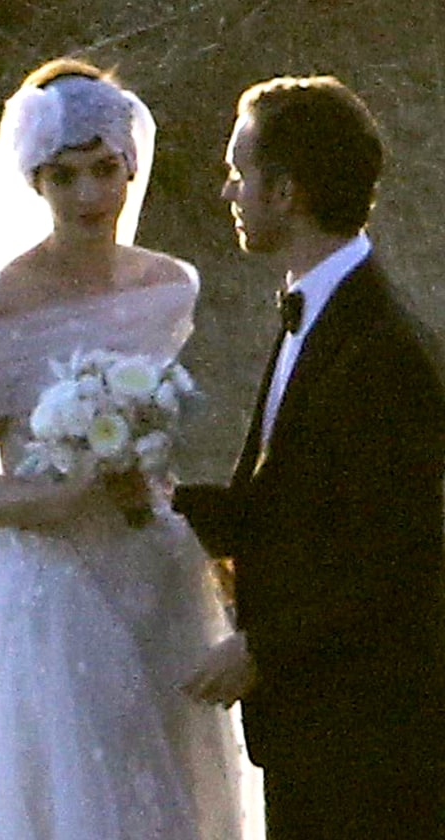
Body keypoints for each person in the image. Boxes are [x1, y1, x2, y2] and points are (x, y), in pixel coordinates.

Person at [0, 57, 258, 838]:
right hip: (44, 594)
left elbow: (161, 439)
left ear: (130, 167)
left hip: (151, 579)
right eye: (64, 176)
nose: (89, 196)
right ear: (36, 182)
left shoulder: (170, 287)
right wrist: (56, 498)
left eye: (104, 170)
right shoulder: (2, 302)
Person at [174, 75, 445, 838]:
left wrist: (260, 648)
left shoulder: (386, 349)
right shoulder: (320, 312)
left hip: (373, 747)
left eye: (239, 172)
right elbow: (279, 506)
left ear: (284, 192)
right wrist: (155, 501)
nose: (228, 191)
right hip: (316, 733)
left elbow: (401, 561)